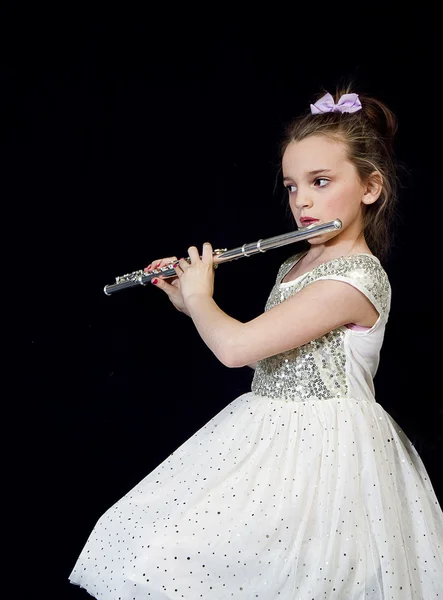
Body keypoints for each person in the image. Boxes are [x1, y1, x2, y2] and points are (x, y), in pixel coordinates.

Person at [69, 87, 443, 598]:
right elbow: (266, 351)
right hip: (270, 435)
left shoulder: (353, 278)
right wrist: (187, 299)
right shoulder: (297, 263)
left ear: (370, 188)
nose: (302, 201)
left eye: (321, 181)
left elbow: (235, 349)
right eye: (292, 186)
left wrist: (204, 297)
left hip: (326, 460)